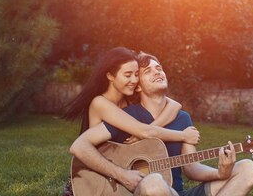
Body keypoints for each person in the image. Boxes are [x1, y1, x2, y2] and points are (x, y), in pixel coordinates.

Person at [69, 52, 253, 196]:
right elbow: (81, 145)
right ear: (139, 86)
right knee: (153, 183)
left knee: (248, 168)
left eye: (158, 68)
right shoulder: (128, 116)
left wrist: (220, 173)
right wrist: (123, 175)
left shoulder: (182, 117)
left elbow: (191, 168)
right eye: (148, 71)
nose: (156, 72)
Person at [63, 46, 200, 143]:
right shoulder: (100, 103)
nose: (134, 80)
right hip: (96, 175)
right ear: (110, 76)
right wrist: (183, 136)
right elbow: (145, 131)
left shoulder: (128, 100)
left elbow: (174, 105)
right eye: (128, 75)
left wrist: (149, 129)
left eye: (136, 74)